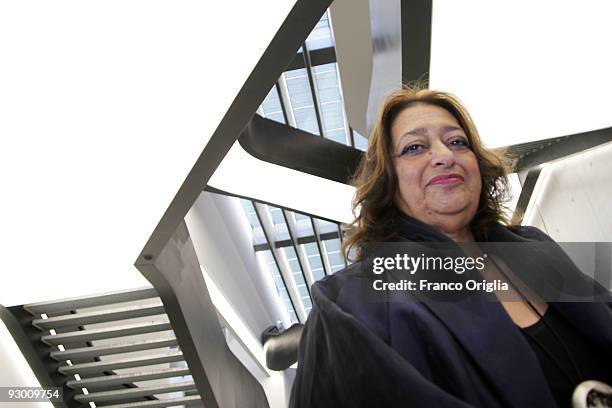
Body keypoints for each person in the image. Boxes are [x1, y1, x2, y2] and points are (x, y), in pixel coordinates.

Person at [289, 85, 612, 408]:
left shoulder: (533, 245)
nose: (444, 156)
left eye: (457, 142)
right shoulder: (347, 304)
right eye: (415, 147)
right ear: (387, 178)